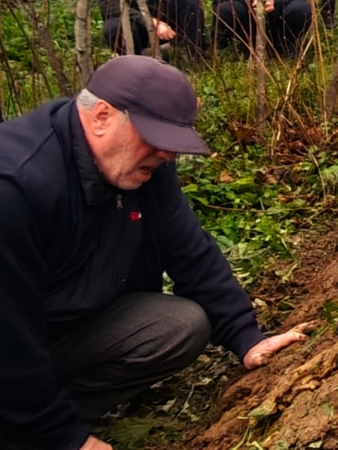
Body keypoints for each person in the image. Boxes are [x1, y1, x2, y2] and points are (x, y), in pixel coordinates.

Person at [0, 56, 308, 450]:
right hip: (13, 337)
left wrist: (246, 337)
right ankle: (29, 422)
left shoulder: (142, 168)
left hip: (59, 327)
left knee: (179, 325)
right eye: (157, 139)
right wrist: (62, 438)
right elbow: (8, 334)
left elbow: (189, 250)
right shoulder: (16, 186)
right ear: (101, 117)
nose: (167, 156)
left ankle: (37, 413)